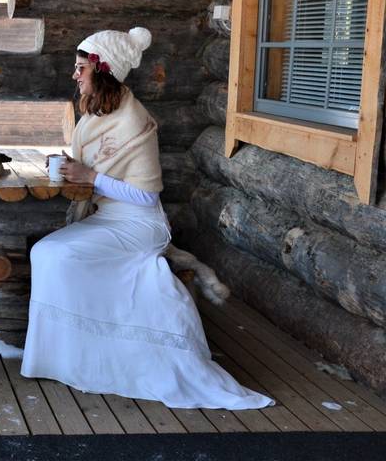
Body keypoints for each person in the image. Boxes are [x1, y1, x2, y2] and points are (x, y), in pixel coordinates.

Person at [20, 26, 273, 410]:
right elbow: (96, 171)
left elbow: (145, 194)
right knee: (46, 252)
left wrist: (90, 177)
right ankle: (69, 357)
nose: (74, 75)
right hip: (107, 217)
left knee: (59, 255)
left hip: (139, 223)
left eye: (80, 69)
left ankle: (114, 358)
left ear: (102, 71)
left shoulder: (133, 122)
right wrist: (76, 170)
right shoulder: (96, 113)